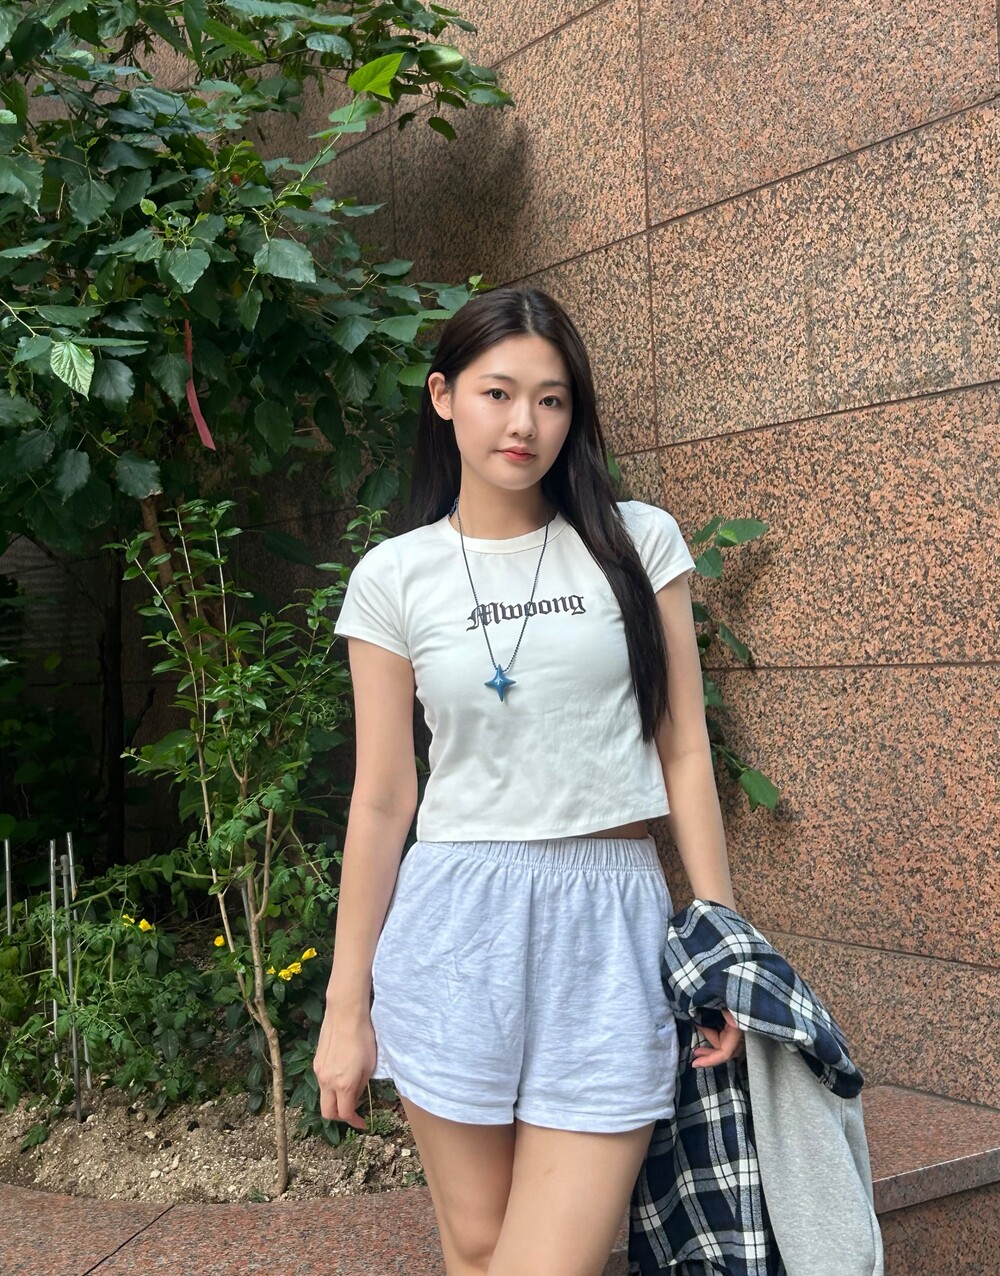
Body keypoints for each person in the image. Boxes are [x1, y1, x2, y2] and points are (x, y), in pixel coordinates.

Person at [312, 286, 746, 1276]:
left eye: (551, 400)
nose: (524, 424)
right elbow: (382, 799)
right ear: (442, 397)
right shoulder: (395, 576)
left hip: (608, 920)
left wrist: (721, 936)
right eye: (498, 393)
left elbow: (683, 748)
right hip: (454, 924)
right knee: (475, 1248)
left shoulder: (637, 542)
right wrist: (346, 1006)